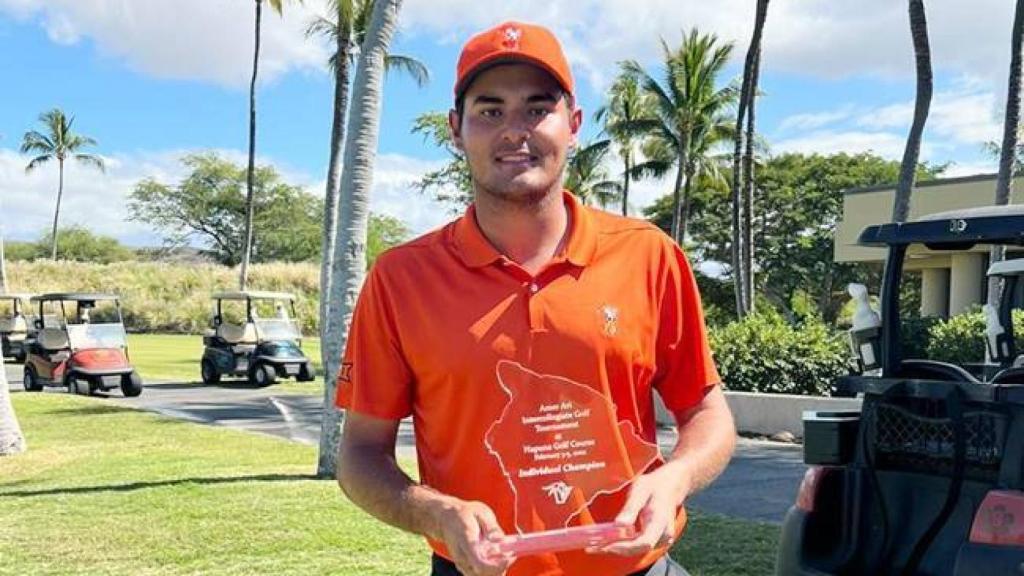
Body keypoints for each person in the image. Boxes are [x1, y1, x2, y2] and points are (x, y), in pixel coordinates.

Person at [335, 20, 736, 576]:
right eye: (490, 110)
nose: (513, 130)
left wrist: (677, 476)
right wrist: (438, 513)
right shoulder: (401, 277)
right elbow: (359, 455)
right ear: (457, 129)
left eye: (536, 108)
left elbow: (707, 410)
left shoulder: (648, 255)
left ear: (573, 125)